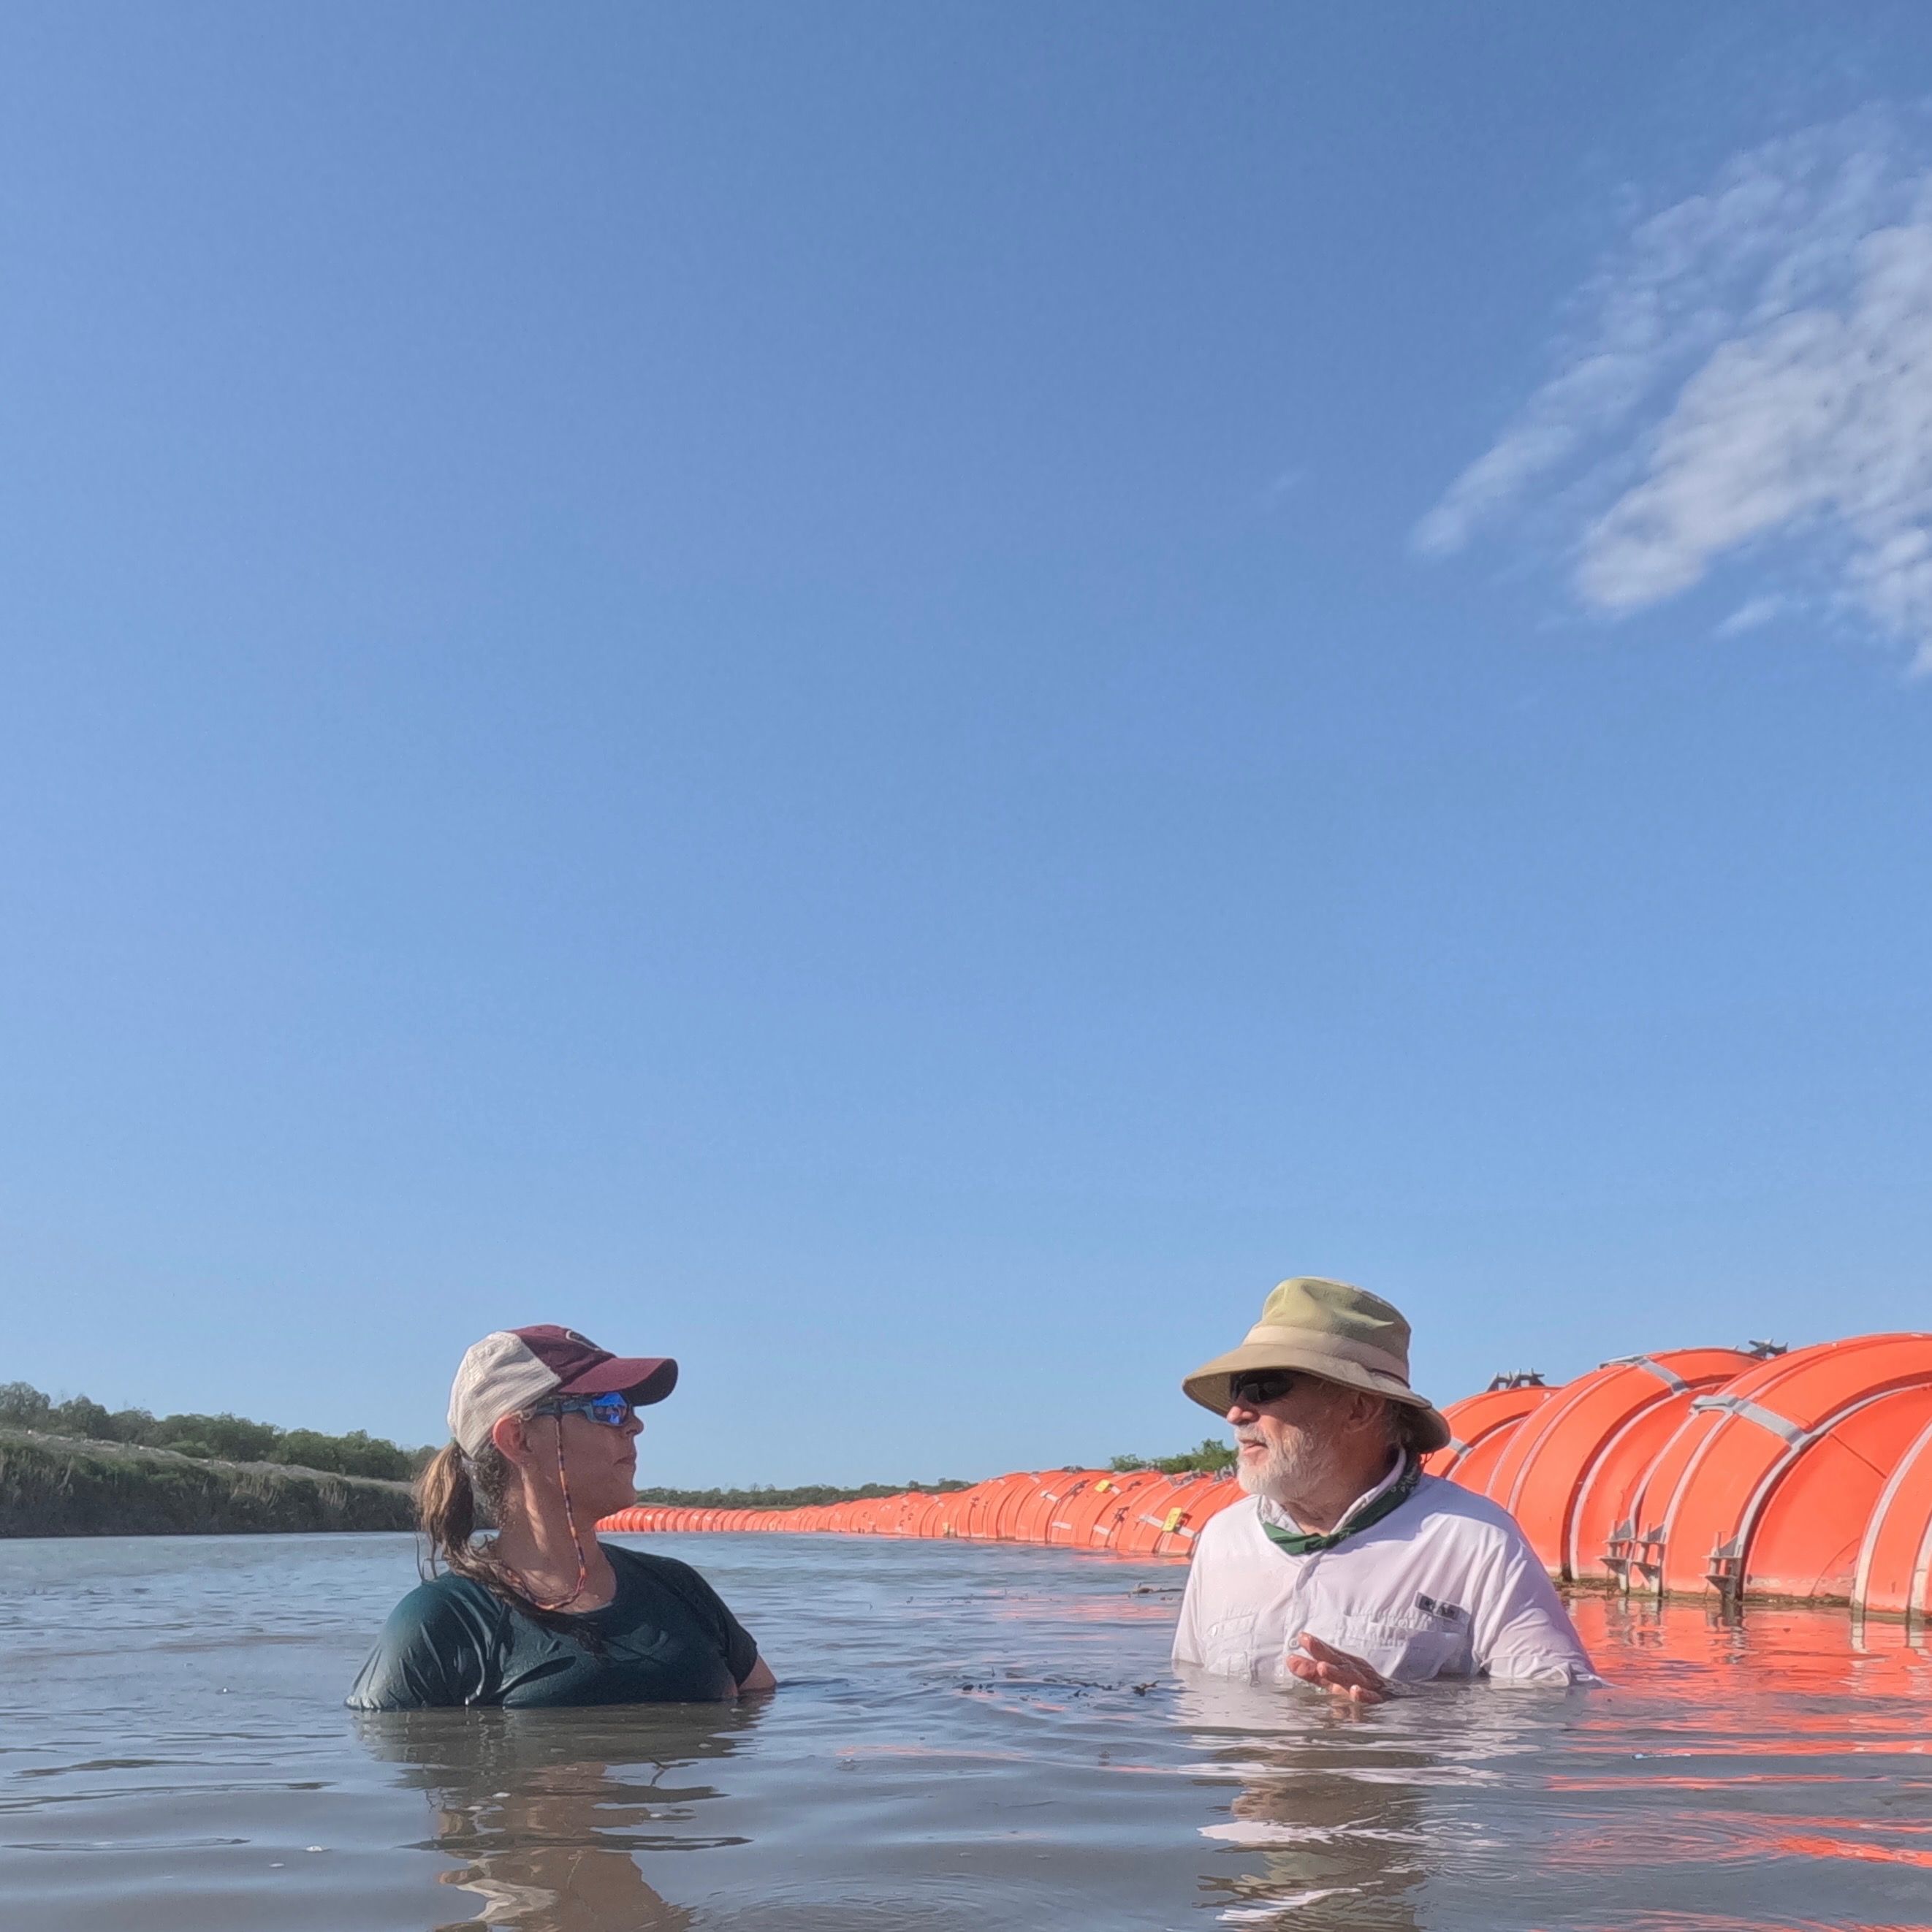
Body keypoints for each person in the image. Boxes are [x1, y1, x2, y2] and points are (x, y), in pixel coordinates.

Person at [1171, 1277, 1600, 1700]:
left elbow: (1555, 1705)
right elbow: (1190, 1693)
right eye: (1237, 1389)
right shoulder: (1223, 1538)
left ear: (1358, 1409)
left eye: (1265, 1388)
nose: (1236, 1413)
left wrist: (1398, 1701)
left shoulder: (1475, 1539)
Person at [349, 1323, 776, 1708]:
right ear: (518, 1439)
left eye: (629, 1407)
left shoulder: (679, 1588)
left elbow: (768, 1707)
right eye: (608, 1407)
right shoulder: (441, 1622)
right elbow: (388, 1766)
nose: (634, 1426)